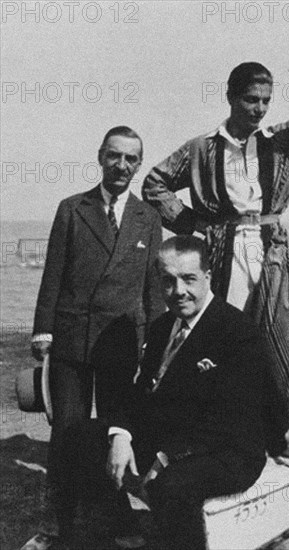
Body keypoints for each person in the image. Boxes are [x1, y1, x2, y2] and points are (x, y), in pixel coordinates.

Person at [142, 62, 289, 438]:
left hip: (273, 255)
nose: (259, 109)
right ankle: (225, 433)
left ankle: (287, 435)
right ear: (230, 97)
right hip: (223, 256)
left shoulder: (285, 141)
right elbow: (154, 184)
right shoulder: (201, 149)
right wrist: (192, 225)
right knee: (230, 343)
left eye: (265, 101)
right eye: (250, 100)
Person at [65, 235, 274, 550]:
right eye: (167, 281)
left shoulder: (238, 333)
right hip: (171, 436)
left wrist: (165, 457)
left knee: (172, 485)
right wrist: (120, 436)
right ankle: (125, 530)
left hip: (228, 451)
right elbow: (139, 396)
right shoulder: (163, 326)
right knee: (83, 436)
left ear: (208, 276)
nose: (178, 291)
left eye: (188, 279)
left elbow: (231, 421)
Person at [22, 126, 164, 550]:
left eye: (131, 159)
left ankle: (116, 513)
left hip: (122, 345)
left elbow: (153, 293)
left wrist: (157, 348)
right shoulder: (72, 209)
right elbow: (53, 275)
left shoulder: (149, 218)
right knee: (67, 431)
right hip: (72, 340)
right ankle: (56, 524)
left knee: (116, 432)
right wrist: (42, 329)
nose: (122, 165)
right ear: (100, 157)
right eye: (114, 156)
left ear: (139, 165)